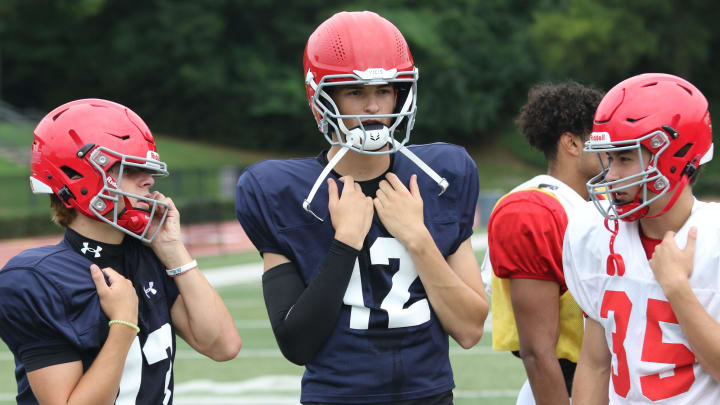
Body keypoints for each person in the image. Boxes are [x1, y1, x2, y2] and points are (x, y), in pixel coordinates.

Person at [235, 10, 488, 404]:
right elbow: (297, 344)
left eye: (384, 91)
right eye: (355, 92)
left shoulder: (441, 175)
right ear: (323, 98)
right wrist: (346, 242)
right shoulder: (281, 191)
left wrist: (418, 239)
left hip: (432, 395)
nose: (372, 107)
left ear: (400, 94)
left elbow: (470, 329)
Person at [0, 99, 242, 404]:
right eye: (130, 168)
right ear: (77, 178)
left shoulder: (148, 255)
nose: (149, 180)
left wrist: (172, 249)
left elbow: (223, 345)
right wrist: (124, 324)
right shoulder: (35, 279)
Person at [563, 73, 718, 404]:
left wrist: (676, 288)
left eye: (625, 158)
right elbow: (595, 364)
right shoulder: (594, 232)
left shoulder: (714, 239)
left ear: (673, 158)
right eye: (609, 159)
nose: (611, 176)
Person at [480, 82, 604, 405]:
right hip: (565, 388)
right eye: (602, 138)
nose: (613, 149)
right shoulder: (534, 211)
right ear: (572, 143)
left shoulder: (593, 203)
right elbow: (537, 351)